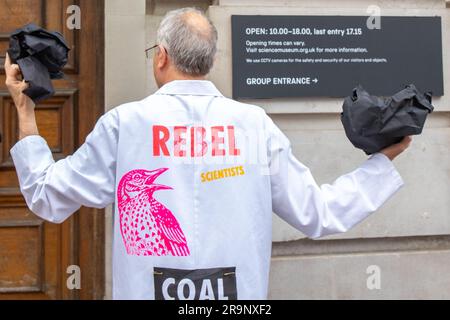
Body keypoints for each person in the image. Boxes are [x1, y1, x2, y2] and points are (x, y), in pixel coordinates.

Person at [4, 7, 411, 300]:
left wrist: (25, 110)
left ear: (161, 57)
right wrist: (382, 161)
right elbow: (319, 213)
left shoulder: (125, 124)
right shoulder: (254, 125)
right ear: (211, 61)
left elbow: (48, 195)